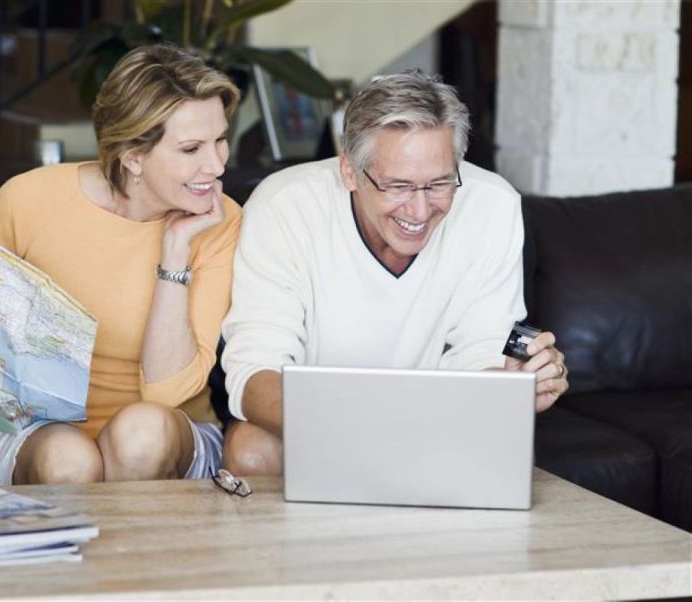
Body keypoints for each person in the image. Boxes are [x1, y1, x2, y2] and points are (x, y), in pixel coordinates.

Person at [0, 44, 242, 485]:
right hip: (34, 433)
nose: (216, 165)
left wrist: (175, 248)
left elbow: (167, 393)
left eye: (220, 140)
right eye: (191, 148)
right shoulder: (27, 200)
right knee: (69, 459)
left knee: (142, 435)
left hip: (169, 434)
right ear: (133, 155)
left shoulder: (220, 221)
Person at [220, 71, 569, 475]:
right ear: (350, 171)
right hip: (320, 423)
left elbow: (480, 353)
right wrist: (369, 434)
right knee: (250, 448)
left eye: (439, 183)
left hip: (437, 420)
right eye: (398, 186)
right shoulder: (284, 206)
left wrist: (514, 385)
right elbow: (254, 374)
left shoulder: (494, 205)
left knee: (508, 448)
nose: (419, 212)